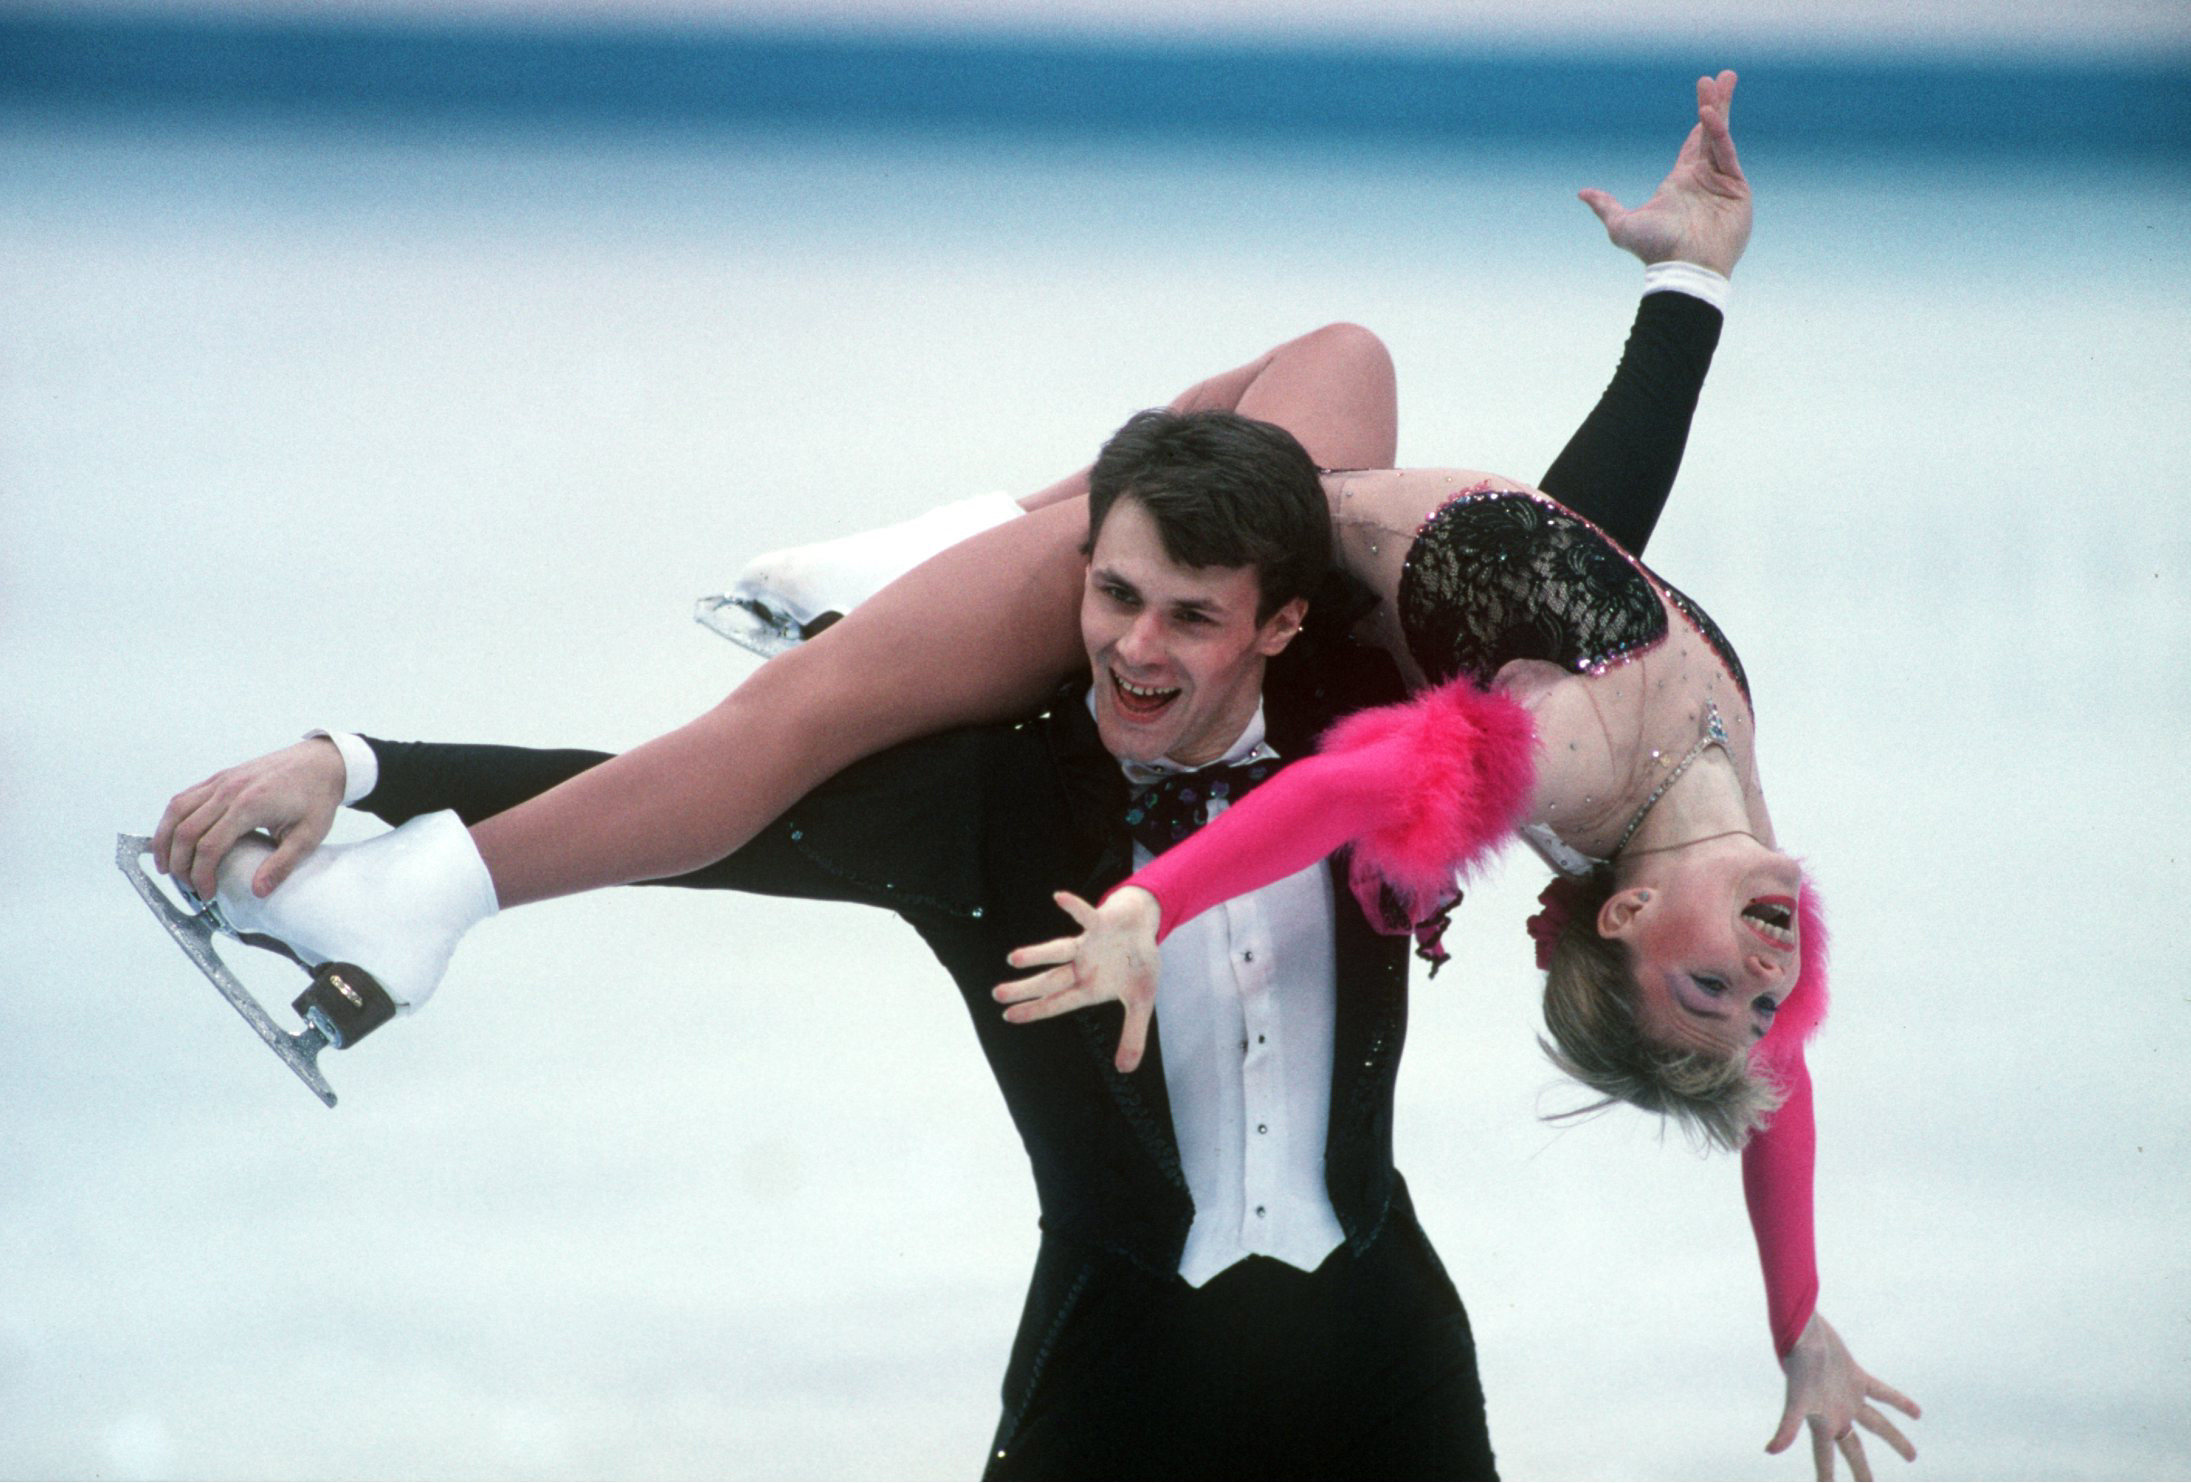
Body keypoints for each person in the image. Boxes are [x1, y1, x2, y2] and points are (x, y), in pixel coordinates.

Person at [146, 72, 1917, 1476]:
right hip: (1118, 1368)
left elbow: (1582, 555)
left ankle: (919, 566)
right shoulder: (998, 788)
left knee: (1322, 398)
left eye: (1190, 620)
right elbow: (698, 805)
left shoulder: (1381, 713)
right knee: (825, 706)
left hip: (1382, 1344)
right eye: (1112, 601)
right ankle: (898, 593)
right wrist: (359, 763)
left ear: (1285, 632)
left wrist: (1800, 1323)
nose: (1137, 653)